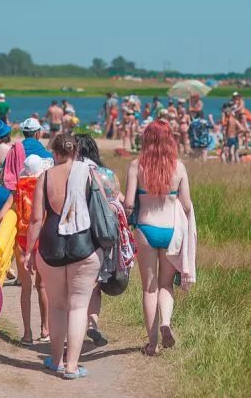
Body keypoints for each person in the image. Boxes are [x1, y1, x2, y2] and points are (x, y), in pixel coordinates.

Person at [23, 134, 105, 379]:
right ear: (76, 150)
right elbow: (104, 206)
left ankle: (57, 360)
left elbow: (36, 219)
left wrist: (28, 251)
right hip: (85, 243)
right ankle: (72, 366)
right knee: (79, 306)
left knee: (57, 306)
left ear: (55, 154)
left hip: (51, 244)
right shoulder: (89, 173)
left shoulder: (45, 177)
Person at [124, 121, 194, 357]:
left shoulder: (136, 165)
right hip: (172, 231)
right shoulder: (179, 167)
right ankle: (166, 321)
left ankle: (152, 343)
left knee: (149, 288)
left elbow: (129, 203)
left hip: (145, 228)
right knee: (166, 285)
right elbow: (186, 204)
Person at [76, 134, 119, 348]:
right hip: (101, 233)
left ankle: (74, 326)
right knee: (95, 282)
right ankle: (92, 323)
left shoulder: (72, 172)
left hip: (78, 232)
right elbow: (117, 202)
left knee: (75, 283)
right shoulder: (106, 173)